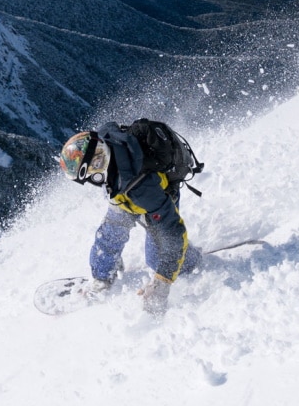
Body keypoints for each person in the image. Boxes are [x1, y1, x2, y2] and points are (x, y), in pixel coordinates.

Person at [58, 123, 202, 314]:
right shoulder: (103, 142)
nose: (93, 177)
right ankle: (101, 278)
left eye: (94, 170)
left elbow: (173, 232)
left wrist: (162, 282)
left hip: (157, 197)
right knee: (108, 235)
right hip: (123, 194)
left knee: (157, 257)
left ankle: (188, 261)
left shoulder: (143, 190)